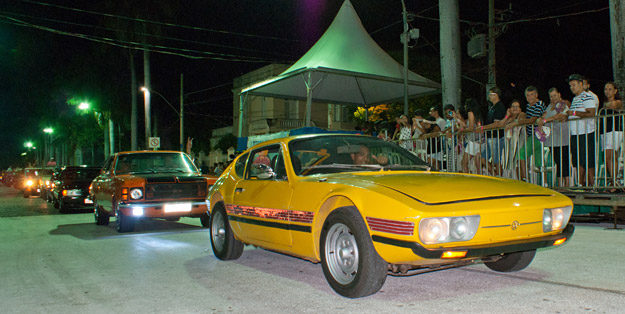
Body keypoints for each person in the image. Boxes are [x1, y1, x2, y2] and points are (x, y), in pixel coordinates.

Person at [509, 86, 547, 182]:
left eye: (531, 95)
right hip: (533, 135)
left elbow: (533, 119)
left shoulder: (539, 104)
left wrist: (516, 123)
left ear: (536, 95)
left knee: (522, 154)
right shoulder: (529, 106)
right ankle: (544, 183)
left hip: (537, 135)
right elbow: (527, 117)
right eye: (527, 95)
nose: (529, 97)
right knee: (539, 161)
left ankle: (525, 179)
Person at [566, 74, 598, 187]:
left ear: (581, 84)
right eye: (570, 86)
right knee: (577, 159)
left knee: (587, 159)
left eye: (574, 85)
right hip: (576, 133)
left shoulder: (587, 97)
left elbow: (591, 113)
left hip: (586, 132)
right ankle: (580, 183)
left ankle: (592, 184)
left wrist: (574, 113)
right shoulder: (575, 99)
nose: (572, 87)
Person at [537, 87, 571, 187]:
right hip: (552, 138)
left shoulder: (562, 104)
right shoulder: (550, 106)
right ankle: (560, 183)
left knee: (563, 160)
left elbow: (559, 116)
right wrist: (540, 121)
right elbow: (543, 116)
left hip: (562, 136)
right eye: (551, 96)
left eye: (555, 95)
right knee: (557, 160)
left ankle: (567, 184)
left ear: (559, 95)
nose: (553, 98)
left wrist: (545, 121)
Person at [598, 81, 623, 192]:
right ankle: (613, 180)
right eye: (605, 89)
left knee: (611, 154)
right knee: (607, 156)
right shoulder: (603, 103)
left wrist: (605, 106)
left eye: (610, 89)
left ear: (615, 91)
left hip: (615, 130)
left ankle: (614, 182)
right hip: (605, 131)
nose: (607, 91)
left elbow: (613, 105)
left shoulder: (618, 102)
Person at [480, 87, 507, 176]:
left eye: (491, 94)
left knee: (496, 160)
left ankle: (499, 177)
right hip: (491, 137)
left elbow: (497, 124)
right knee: (483, 158)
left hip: (496, 137)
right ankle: (496, 175)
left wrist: (483, 128)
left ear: (496, 95)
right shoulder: (493, 107)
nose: (489, 96)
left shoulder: (499, 107)